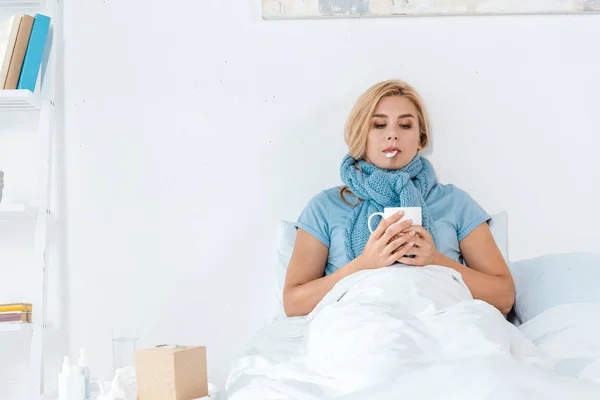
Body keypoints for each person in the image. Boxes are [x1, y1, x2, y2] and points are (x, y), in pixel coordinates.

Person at [283, 79, 514, 318]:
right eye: (379, 125)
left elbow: (504, 297)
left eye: (405, 125)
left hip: (441, 325)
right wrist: (363, 265)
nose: (392, 135)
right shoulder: (325, 207)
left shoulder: (455, 202)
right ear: (360, 133)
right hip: (357, 328)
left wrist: (436, 260)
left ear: (421, 138)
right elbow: (293, 304)